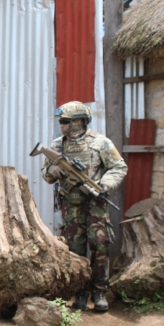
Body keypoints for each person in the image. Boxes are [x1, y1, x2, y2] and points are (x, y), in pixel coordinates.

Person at [41, 101, 127, 313]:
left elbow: (119, 167)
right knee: (75, 248)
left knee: (100, 244)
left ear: (79, 122)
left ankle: (99, 292)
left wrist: (104, 185)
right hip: (71, 205)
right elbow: (45, 174)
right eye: (61, 122)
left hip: (96, 203)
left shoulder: (101, 143)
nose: (62, 125)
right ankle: (80, 292)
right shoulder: (57, 146)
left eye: (65, 122)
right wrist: (54, 171)